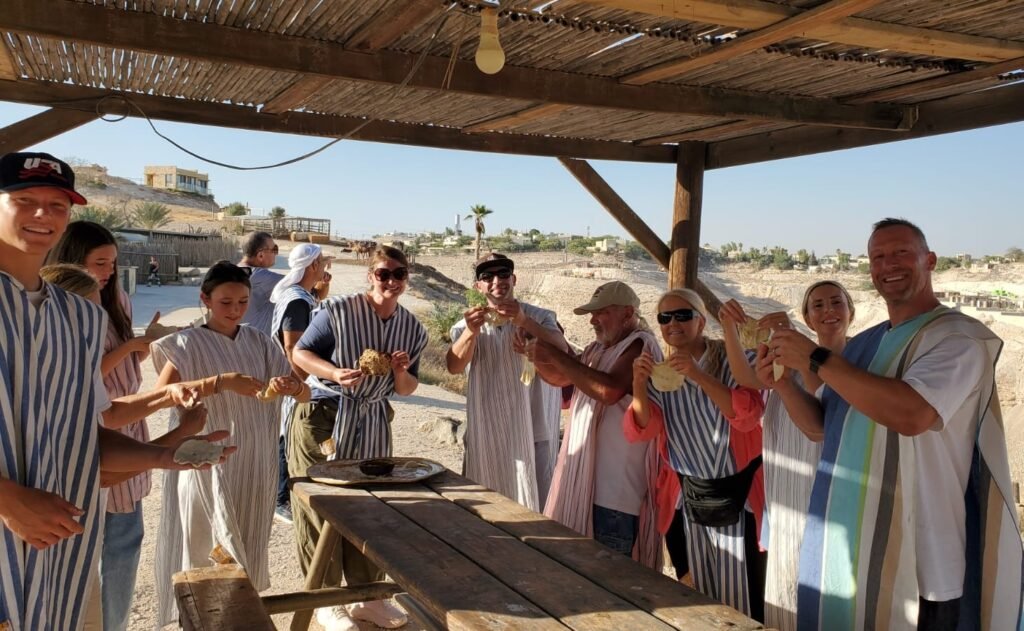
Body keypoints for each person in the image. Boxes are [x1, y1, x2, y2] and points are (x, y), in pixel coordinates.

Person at [0, 151, 232, 631]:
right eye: (24, 199)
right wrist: (8, 499)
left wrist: (162, 456)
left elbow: (84, 433)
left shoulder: (82, 318)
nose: (43, 214)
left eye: (58, 204)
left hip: (63, 558)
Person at [766, 218, 1023, 630]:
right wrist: (781, 385)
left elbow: (913, 414)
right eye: (878, 257)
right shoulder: (867, 342)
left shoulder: (959, 338)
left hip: (924, 561)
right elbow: (822, 428)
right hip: (851, 545)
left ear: (930, 260)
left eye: (902, 252)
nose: (889, 264)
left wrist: (815, 358)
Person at [151, 261, 308, 626]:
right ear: (205, 299)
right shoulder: (185, 344)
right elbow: (159, 397)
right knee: (204, 548)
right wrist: (219, 382)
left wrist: (292, 386)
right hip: (205, 460)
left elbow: (301, 394)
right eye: (226, 302)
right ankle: (201, 620)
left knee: (246, 546)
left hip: (255, 460)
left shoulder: (259, 341)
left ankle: (237, 619)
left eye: (242, 302)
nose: (235, 310)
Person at [291, 245, 427, 631]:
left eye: (399, 274)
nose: (391, 281)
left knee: (371, 504)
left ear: (406, 278)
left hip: (373, 418)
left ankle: (368, 596)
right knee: (322, 502)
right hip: (327, 414)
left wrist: (400, 370)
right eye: (383, 274)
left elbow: (407, 388)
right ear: (370, 276)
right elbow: (301, 353)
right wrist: (335, 373)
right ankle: (324, 599)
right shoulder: (338, 310)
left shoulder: (412, 328)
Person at [46, 220, 168, 631]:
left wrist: (144, 344)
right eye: (100, 263)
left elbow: (123, 372)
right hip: (99, 430)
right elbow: (90, 378)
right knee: (88, 549)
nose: (108, 272)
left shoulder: (115, 299)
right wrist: (132, 348)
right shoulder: (64, 304)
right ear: (71, 259)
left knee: (125, 542)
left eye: (113, 263)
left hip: (126, 425)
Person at [718, 281, 854, 629]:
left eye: (835, 302)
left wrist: (801, 349)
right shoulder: (791, 358)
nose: (828, 311)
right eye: (818, 306)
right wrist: (730, 329)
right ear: (808, 317)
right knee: (789, 559)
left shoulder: (857, 358)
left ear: (851, 311)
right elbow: (746, 376)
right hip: (787, 477)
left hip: (827, 475)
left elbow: (820, 400)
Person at [628, 289, 766, 620]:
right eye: (664, 317)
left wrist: (698, 375)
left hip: (741, 498)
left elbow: (747, 415)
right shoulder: (660, 376)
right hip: (685, 501)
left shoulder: (737, 361)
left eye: (682, 315)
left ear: (702, 321)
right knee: (695, 600)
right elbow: (641, 429)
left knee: (747, 601)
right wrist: (637, 385)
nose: (672, 323)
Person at [526, 281, 663, 566]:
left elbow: (609, 391)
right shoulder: (598, 348)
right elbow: (564, 380)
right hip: (589, 488)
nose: (592, 319)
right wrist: (538, 360)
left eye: (601, 312)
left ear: (627, 314)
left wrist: (554, 354)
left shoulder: (639, 345)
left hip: (615, 498)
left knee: (612, 586)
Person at [446, 254, 567, 510]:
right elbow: (454, 366)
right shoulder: (466, 325)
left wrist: (524, 321)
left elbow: (563, 349)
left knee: (538, 508)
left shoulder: (540, 316)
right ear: (478, 286)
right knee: (488, 506)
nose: (496, 281)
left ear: (514, 279)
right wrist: (471, 332)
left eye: (503, 274)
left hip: (535, 428)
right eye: (486, 277)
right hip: (486, 431)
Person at [269, 243, 330, 523]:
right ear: (313, 266)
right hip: (292, 377)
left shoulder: (300, 295)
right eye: (322, 262)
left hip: (292, 378)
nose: (326, 266)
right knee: (287, 435)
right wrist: (299, 384)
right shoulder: (296, 299)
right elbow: (293, 345)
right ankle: (282, 499)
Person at [238, 230, 282, 335]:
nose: (275, 253)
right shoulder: (259, 276)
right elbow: (300, 281)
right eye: (274, 249)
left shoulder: (234, 270)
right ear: (260, 255)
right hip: (255, 345)